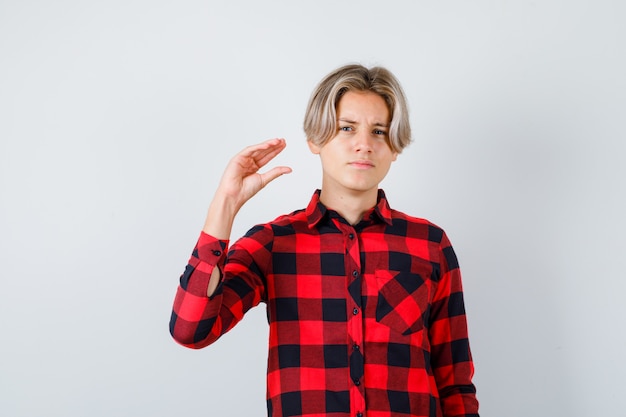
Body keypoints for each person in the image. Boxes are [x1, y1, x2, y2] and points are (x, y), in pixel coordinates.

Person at [169, 64, 479, 417]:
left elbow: (454, 384)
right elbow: (190, 329)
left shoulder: (430, 245)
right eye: (347, 128)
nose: (364, 144)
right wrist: (225, 204)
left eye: (379, 131)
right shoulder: (274, 244)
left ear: (395, 148)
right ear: (315, 139)